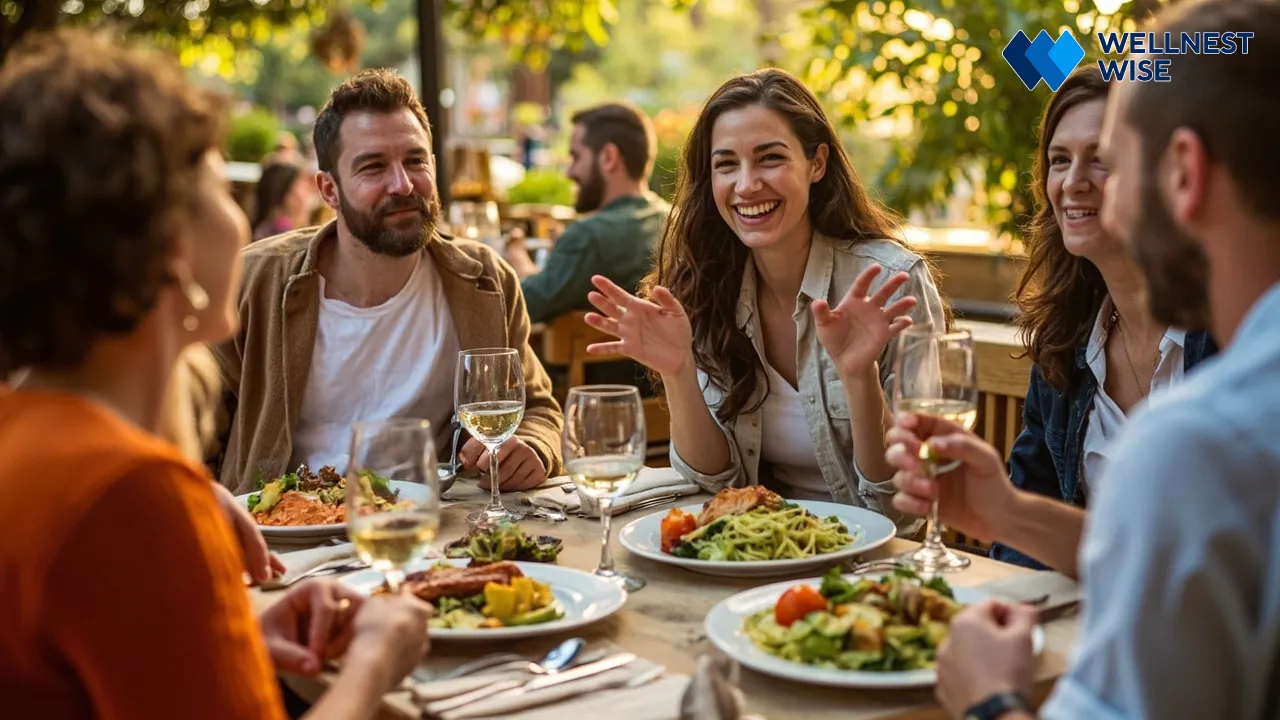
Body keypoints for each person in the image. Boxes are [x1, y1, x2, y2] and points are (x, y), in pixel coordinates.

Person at [0, 29, 431, 718]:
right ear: (172, 250)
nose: (243, 223)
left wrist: (232, 637)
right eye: (217, 190)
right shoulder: (130, 493)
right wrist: (377, 657)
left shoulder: (22, 431)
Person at [887, 2, 1280, 717]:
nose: (1083, 186)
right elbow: (1165, 553)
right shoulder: (1076, 345)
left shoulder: (1203, 433)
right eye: (1059, 162)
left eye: (1117, 163)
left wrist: (990, 700)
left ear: (1184, 172)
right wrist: (1006, 512)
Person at [584, 68, 946, 527]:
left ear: (817, 164)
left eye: (769, 158)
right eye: (726, 164)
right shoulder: (705, 286)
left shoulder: (889, 281)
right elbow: (716, 486)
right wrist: (677, 371)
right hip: (761, 554)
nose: (747, 185)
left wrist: (860, 380)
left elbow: (904, 504)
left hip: (875, 562)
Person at [211, 69, 564, 495]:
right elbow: (188, 432)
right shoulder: (254, 282)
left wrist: (532, 446)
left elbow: (536, 407)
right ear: (329, 190)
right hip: (289, 538)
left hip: (432, 531)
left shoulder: (483, 280)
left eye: (415, 161)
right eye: (373, 167)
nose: (402, 184)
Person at [991, 64, 1218, 572]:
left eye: (1101, 160)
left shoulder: (1232, 331)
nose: (1072, 183)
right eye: (1059, 160)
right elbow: (1027, 524)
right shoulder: (1065, 340)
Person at [503, 102, 669, 325]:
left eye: (576, 157)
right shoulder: (676, 221)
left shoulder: (587, 237)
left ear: (609, 157)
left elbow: (520, 306)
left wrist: (517, 260)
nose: (570, 172)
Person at [252, 160, 318, 241]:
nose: (311, 196)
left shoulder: (265, 229)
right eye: (306, 189)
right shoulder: (283, 236)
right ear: (287, 196)